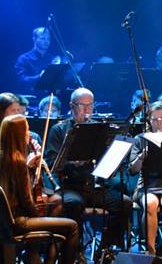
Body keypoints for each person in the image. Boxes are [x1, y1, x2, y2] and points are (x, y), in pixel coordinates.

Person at [0, 114, 86, 264]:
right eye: (26, 129)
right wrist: (41, 216)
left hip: (4, 221)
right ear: (18, 135)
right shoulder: (18, 161)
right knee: (71, 226)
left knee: (60, 225)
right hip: (18, 222)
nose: (29, 133)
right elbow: (26, 201)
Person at [44, 88, 131, 253]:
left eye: (90, 105)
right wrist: (72, 163)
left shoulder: (99, 129)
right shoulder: (59, 130)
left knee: (123, 202)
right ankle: (74, 252)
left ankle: (106, 250)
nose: (86, 110)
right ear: (71, 106)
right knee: (74, 204)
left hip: (92, 186)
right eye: (81, 106)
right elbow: (51, 162)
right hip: (69, 186)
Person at [129, 102, 162, 255]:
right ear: (149, 120)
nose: (158, 123)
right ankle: (151, 252)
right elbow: (133, 170)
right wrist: (141, 157)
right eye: (154, 119)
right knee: (150, 203)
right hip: (146, 185)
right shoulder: (141, 139)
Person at [13, 27, 59, 91]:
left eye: (48, 39)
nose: (46, 41)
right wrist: (40, 76)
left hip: (49, 94)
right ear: (34, 39)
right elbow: (21, 80)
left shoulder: (51, 58)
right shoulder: (24, 58)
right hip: (31, 95)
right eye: (42, 38)